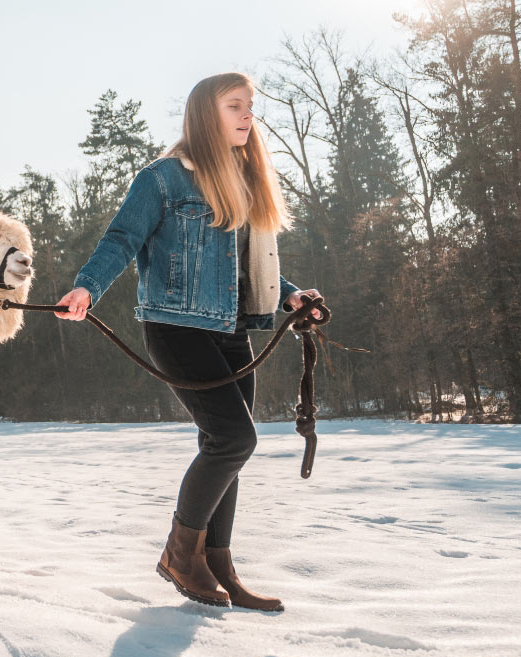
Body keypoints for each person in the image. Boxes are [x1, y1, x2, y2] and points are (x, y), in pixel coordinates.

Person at [56, 72, 324, 611]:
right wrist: (87, 286)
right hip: (176, 329)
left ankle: (219, 564)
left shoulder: (245, 179)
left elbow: (245, 265)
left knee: (223, 447)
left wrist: (291, 296)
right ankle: (181, 555)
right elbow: (122, 238)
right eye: (235, 106)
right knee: (234, 439)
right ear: (207, 113)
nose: (248, 116)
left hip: (233, 330)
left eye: (250, 107)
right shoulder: (162, 179)